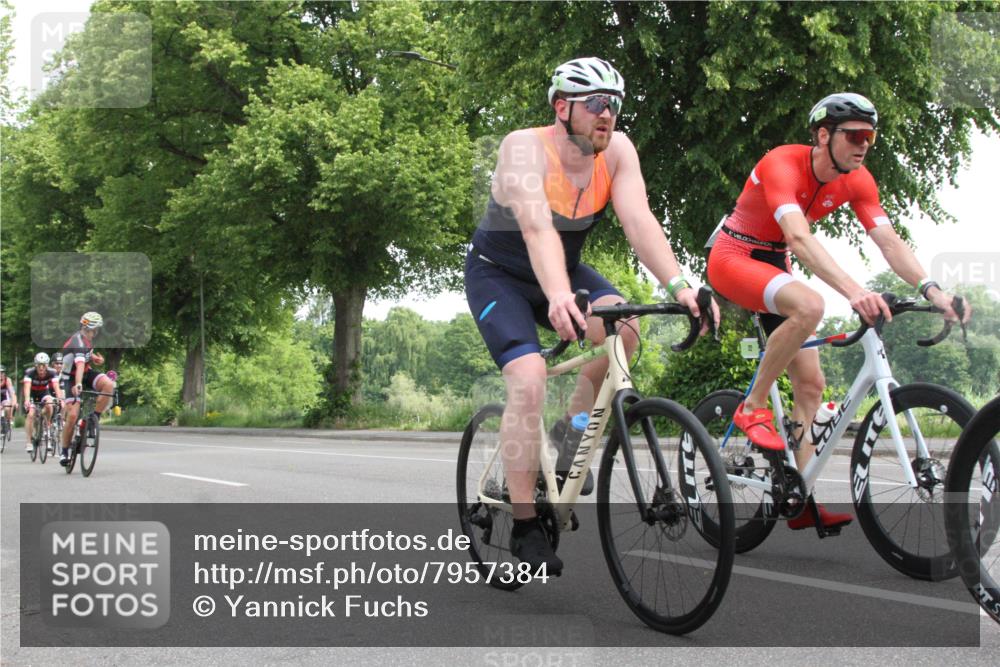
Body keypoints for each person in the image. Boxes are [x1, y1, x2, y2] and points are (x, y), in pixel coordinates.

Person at [465, 57, 717, 573]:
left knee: (623, 328)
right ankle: (526, 521)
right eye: (598, 104)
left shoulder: (618, 152)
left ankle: (570, 432)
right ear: (563, 108)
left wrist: (681, 285)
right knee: (529, 377)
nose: (609, 115)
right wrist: (558, 296)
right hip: (502, 275)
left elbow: (639, 221)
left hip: (566, 267)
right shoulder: (522, 148)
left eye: (616, 105)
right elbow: (536, 229)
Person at [706, 93, 970, 530]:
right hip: (734, 256)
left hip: (775, 264)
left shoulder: (858, 179)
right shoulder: (782, 164)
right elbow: (798, 238)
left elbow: (889, 242)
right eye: (855, 135)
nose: (864, 144)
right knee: (812, 304)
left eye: (871, 136)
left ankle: (799, 495)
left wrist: (933, 289)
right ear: (824, 135)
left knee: (811, 386)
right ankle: (751, 406)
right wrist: (854, 291)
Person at [59, 312, 116, 465]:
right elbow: (79, 365)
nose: (96, 332)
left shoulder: (87, 339)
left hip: (85, 372)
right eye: (95, 329)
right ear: (87, 327)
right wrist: (78, 384)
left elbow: (85, 359)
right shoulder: (77, 342)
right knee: (72, 416)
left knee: (109, 385)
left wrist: (94, 358)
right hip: (70, 377)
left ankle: (94, 418)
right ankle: (64, 451)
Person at [22, 352, 62, 452]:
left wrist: (60, 399)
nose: (41, 368)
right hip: (32, 394)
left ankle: (47, 424)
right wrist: (27, 399)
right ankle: (28, 442)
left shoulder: (52, 372)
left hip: (44, 393)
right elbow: (27, 387)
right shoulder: (30, 372)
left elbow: (56, 387)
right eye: (39, 365)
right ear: (35, 365)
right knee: (31, 414)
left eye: (43, 365)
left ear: (47, 365)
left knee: (50, 404)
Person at [0, 365, 18, 439]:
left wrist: (14, 403)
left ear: (5, 374)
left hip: (4, 399)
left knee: (7, 407)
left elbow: (12, 393)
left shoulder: (7, 380)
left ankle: (7, 421)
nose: (0, 375)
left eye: (2, 373)